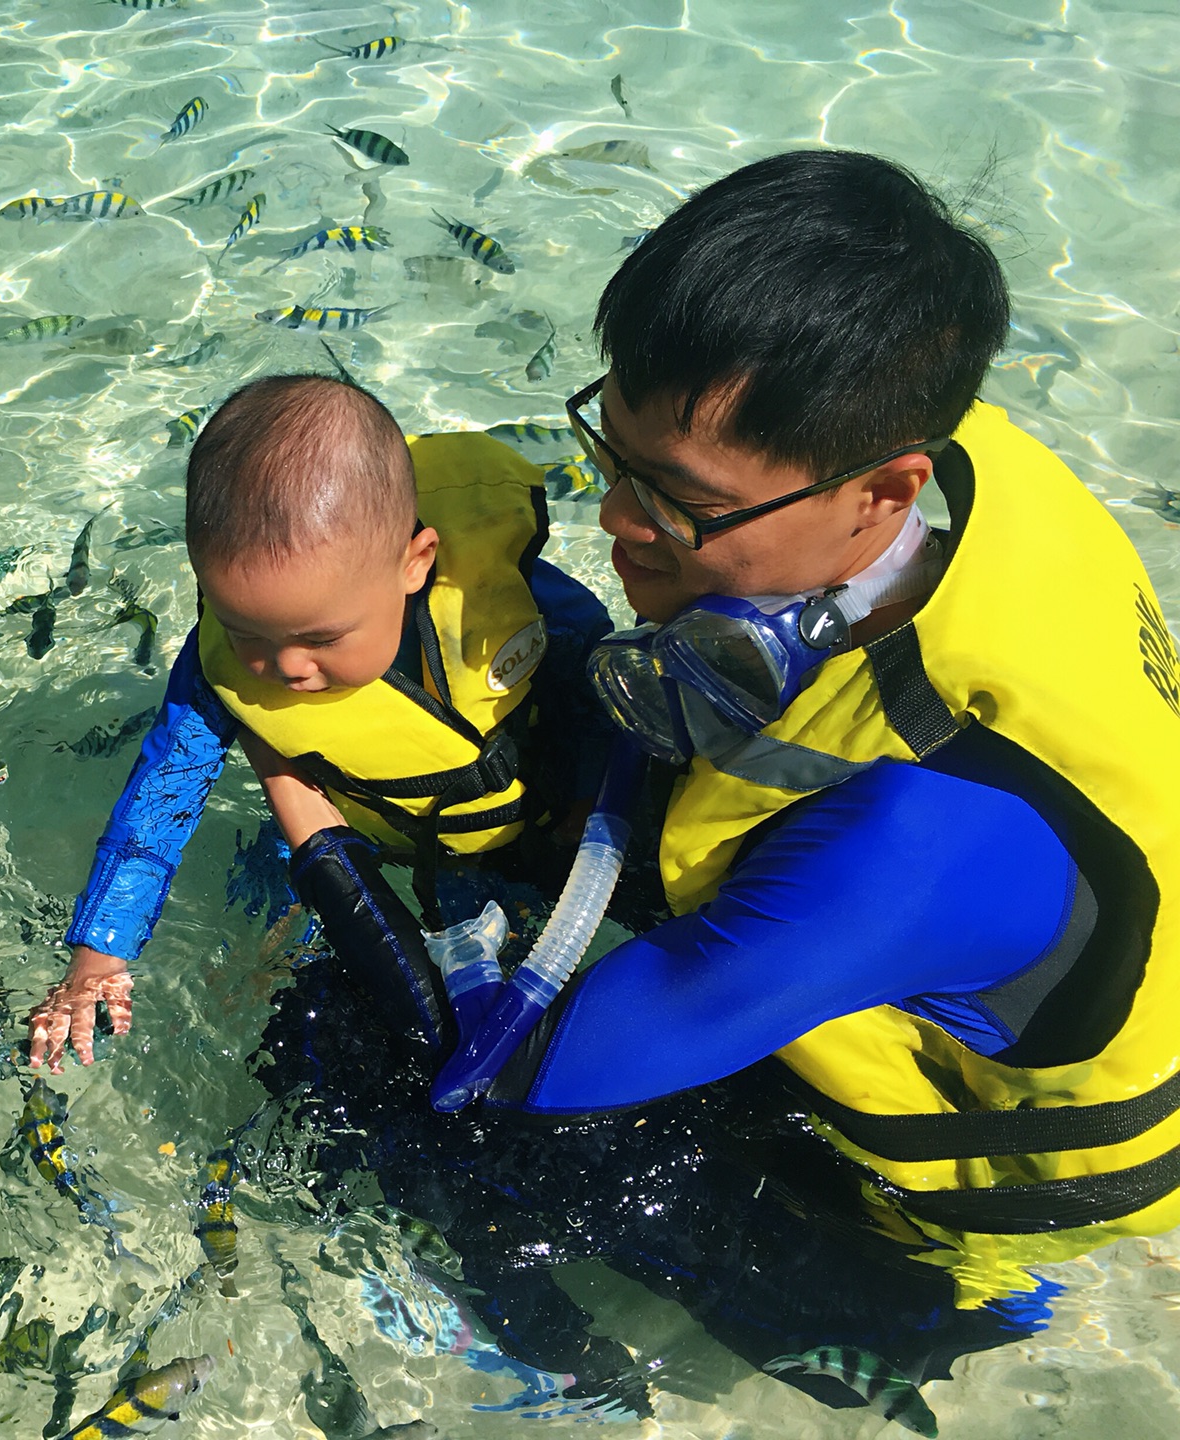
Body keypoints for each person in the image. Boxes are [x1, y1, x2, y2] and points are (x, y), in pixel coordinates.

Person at [424, 147, 1180, 1305]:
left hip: (974, 1193)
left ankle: (901, 1337)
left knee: (378, 1097)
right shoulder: (963, 453)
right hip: (1025, 908)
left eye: (685, 500)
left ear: (884, 492)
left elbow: (525, 1071)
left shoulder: (904, 849)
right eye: (610, 455)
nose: (618, 516)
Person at [26, 374, 611, 1072]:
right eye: (248, 634)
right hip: (365, 837)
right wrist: (99, 954)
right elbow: (160, 800)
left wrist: (585, 802)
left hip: (532, 817)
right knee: (269, 948)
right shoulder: (221, 667)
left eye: (321, 637)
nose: (286, 669)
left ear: (414, 564)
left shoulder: (498, 590)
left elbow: (591, 677)